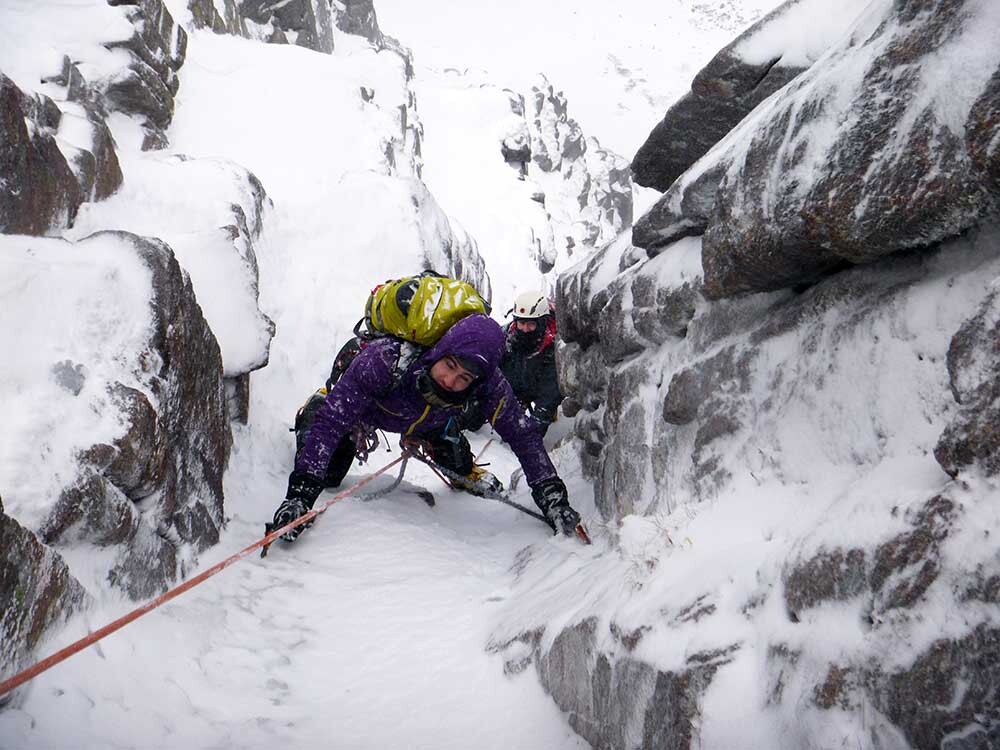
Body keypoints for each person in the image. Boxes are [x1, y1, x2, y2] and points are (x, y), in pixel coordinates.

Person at [272, 313, 582, 541]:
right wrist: (300, 496)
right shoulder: (385, 360)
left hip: (431, 421)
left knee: (458, 467)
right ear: (439, 351)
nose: (451, 381)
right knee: (328, 471)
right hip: (364, 414)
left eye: (463, 378)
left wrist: (552, 497)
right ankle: (317, 402)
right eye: (449, 366)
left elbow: (523, 436)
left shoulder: (488, 386)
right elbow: (331, 424)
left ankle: (463, 468)